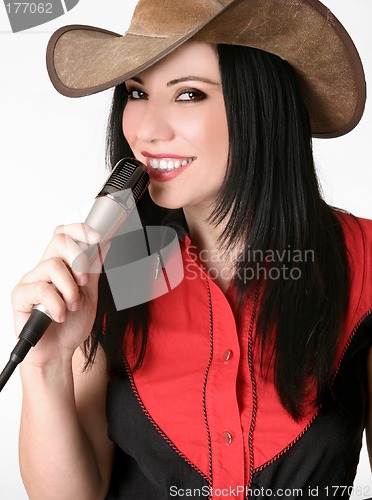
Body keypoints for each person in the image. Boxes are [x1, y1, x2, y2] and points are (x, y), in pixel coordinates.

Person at [11, 0, 371, 498]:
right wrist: (47, 366)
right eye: (137, 92)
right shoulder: (114, 270)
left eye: (188, 94)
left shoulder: (365, 264)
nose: (145, 131)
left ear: (261, 106)